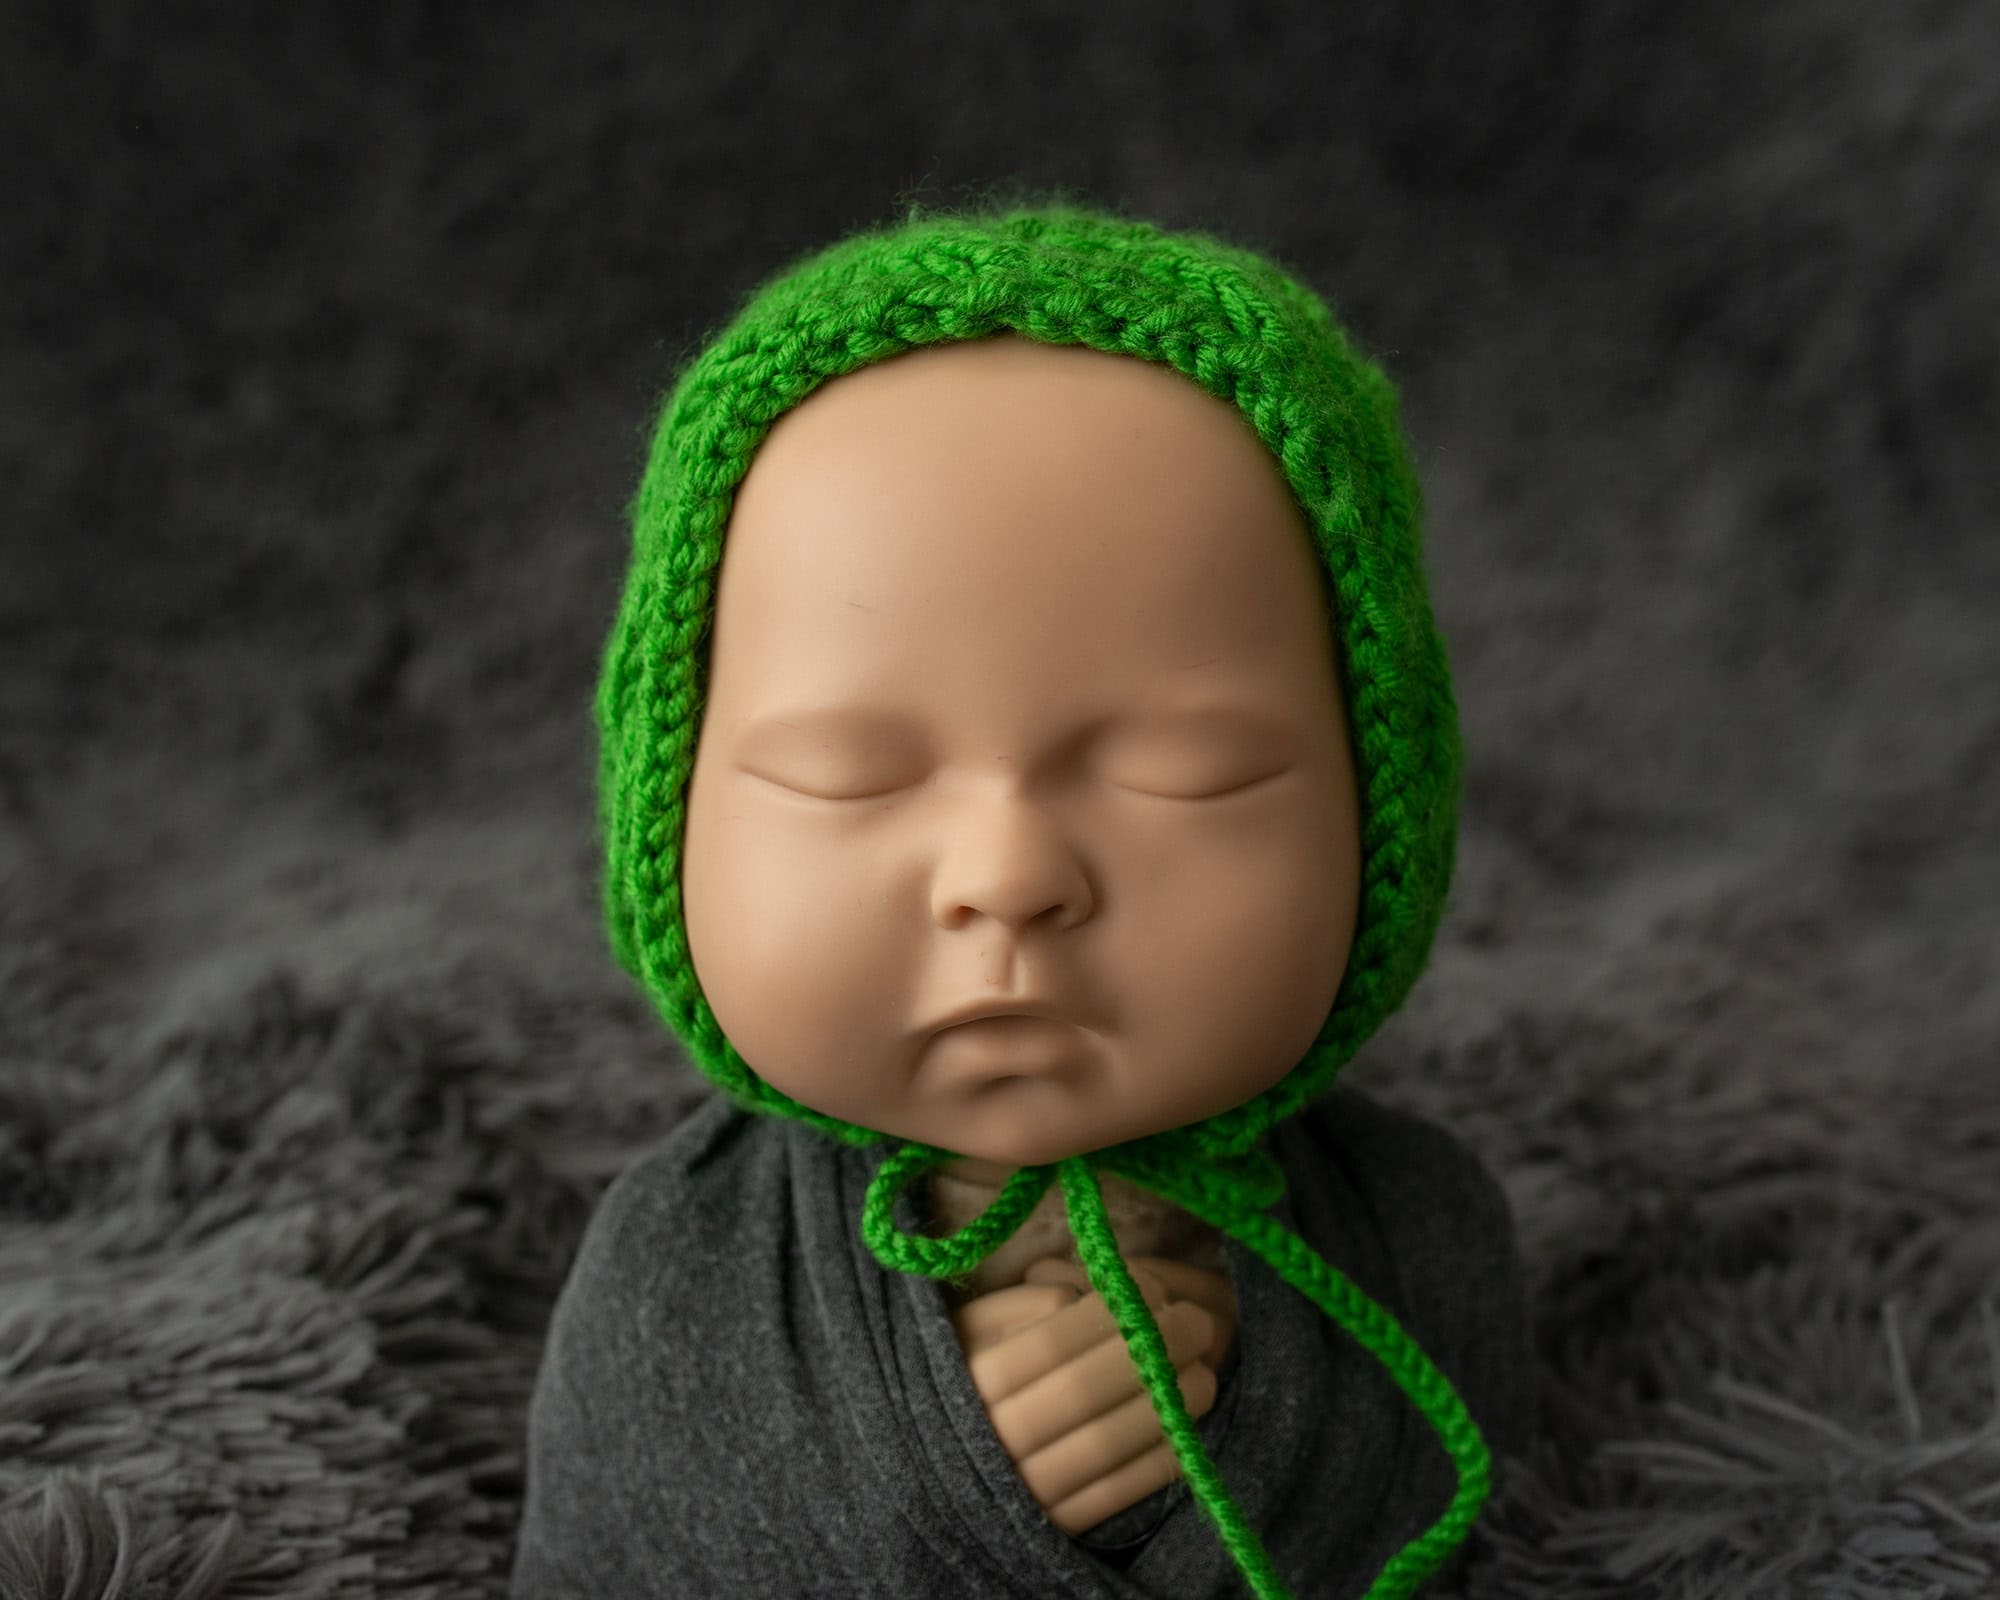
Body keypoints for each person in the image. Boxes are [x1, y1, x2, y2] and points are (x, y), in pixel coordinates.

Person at [513, 204, 1538, 1599]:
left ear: (1378, 810)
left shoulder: (1415, 1225)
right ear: (673, 808)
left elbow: (1502, 1536)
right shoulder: (675, 1273)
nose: (1007, 877)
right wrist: (935, 1487)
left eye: (1188, 770)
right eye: (845, 773)